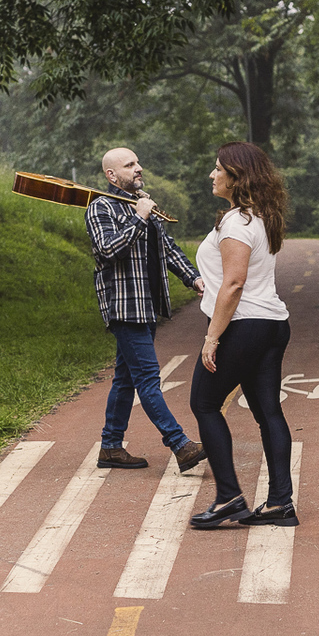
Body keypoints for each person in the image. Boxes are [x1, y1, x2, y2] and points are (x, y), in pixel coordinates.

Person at [188, 141, 297, 528]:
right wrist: (209, 283)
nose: (213, 175)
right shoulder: (260, 217)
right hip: (271, 323)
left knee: (203, 403)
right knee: (268, 412)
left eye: (219, 169)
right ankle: (279, 503)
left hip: (243, 326)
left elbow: (235, 284)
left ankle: (228, 496)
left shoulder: (236, 223)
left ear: (237, 177)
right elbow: (231, 278)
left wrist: (212, 338)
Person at [86, 147, 208, 472]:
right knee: (148, 378)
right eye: (130, 165)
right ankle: (180, 445)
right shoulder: (101, 207)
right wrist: (140, 218)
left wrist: (193, 278)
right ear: (112, 175)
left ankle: (111, 446)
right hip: (126, 307)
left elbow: (166, 248)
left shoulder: (142, 204)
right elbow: (108, 249)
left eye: (138, 162)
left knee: (125, 378)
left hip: (148, 305)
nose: (138, 168)